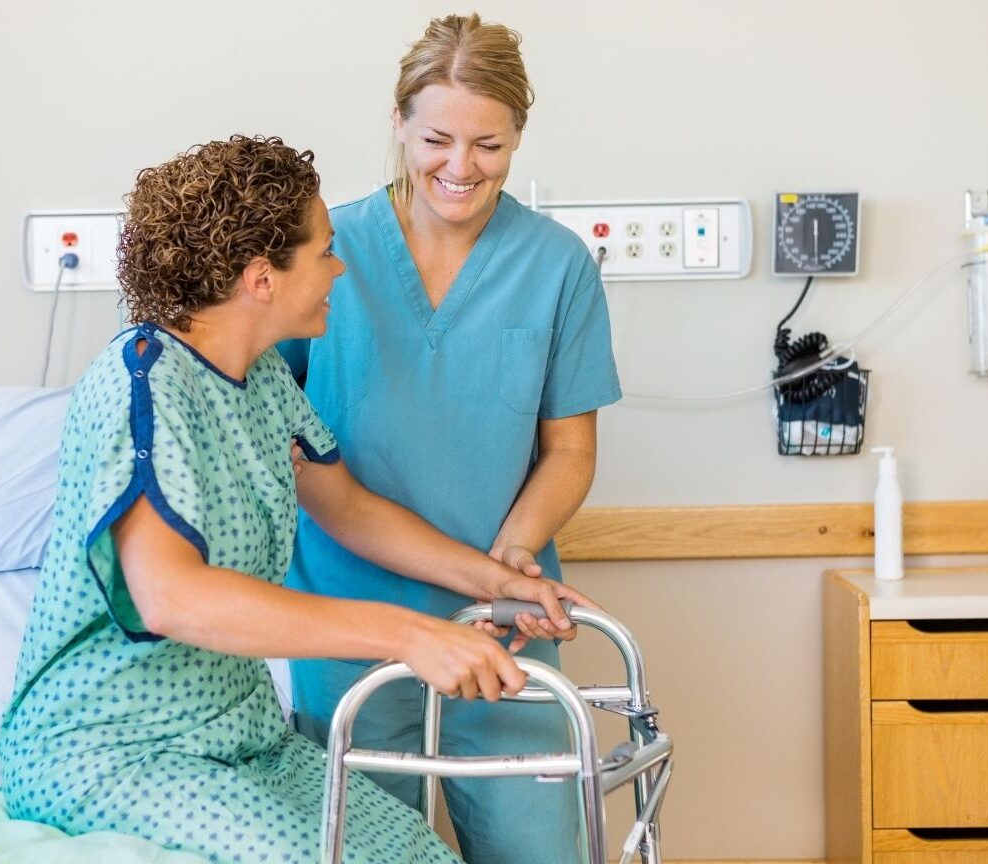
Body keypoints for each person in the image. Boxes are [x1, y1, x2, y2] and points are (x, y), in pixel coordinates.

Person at [0, 135, 594, 864]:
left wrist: (497, 580)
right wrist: (408, 635)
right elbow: (169, 597)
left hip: (242, 740)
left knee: (418, 854)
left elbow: (347, 507)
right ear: (261, 278)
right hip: (116, 752)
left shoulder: (262, 382)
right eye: (324, 253)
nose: (340, 269)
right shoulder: (144, 383)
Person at [278, 13, 622, 864]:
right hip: (348, 624)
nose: (461, 168)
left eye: (490, 146)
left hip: (503, 624)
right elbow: (286, 452)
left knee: (542, 847)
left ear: (517, 139)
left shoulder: (556, 265)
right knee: (367, 850)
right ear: (398, 124)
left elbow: (570, 450)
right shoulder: (327, 256)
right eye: (437, 138)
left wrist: (511, 558)